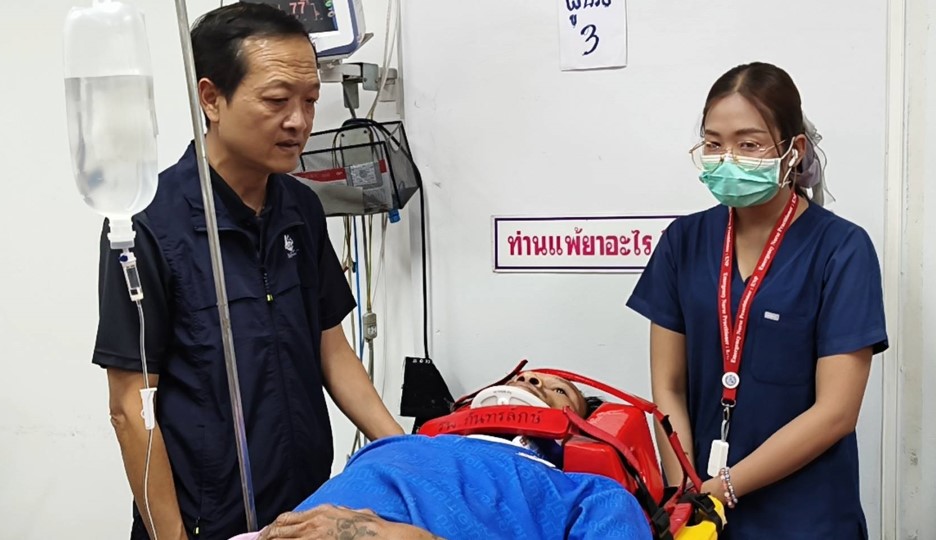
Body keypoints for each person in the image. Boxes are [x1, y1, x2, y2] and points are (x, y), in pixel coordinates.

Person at [92, 4, 404, 539]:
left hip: (305, 510)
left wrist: (404, 453)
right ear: (211, 98)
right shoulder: (148, 224)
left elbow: (331, 348)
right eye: (277, 100)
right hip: (205, 520)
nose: (299, 122)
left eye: (310, 101)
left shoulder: (301, 209)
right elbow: (129, 407)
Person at [626, 62, 888, 539]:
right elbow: (669, 386)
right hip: (702, 513)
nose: (727, 159)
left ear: (794, 150)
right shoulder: (683, 241)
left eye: (748, 144)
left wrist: (724, 487)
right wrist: (686, 491)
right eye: (713, 143)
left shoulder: (842, 250)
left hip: (806, 517)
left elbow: (836, 412)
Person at [227, 371, 652, 540]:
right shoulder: (399, 444)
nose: (532, 381)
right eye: (523, 378)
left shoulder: (587, 493)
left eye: (559, 390)